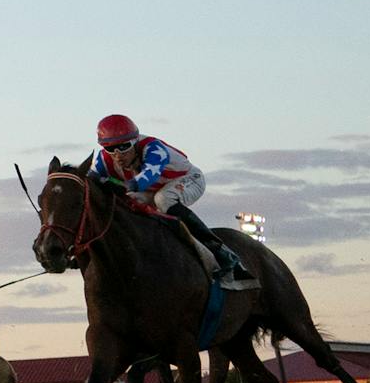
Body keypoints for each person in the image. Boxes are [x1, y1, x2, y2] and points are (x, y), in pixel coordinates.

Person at [89, 114, 253, 287]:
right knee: (127, 203)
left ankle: (222, 252)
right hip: (153, 189)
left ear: (135, 141)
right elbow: (87, 183)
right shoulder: (102, 160)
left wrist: (119, 186)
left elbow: (147, 178)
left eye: (124, 146)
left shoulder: (153, 149)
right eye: (110, 148)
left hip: (189, 179)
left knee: (163, 199)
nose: (118, 155)